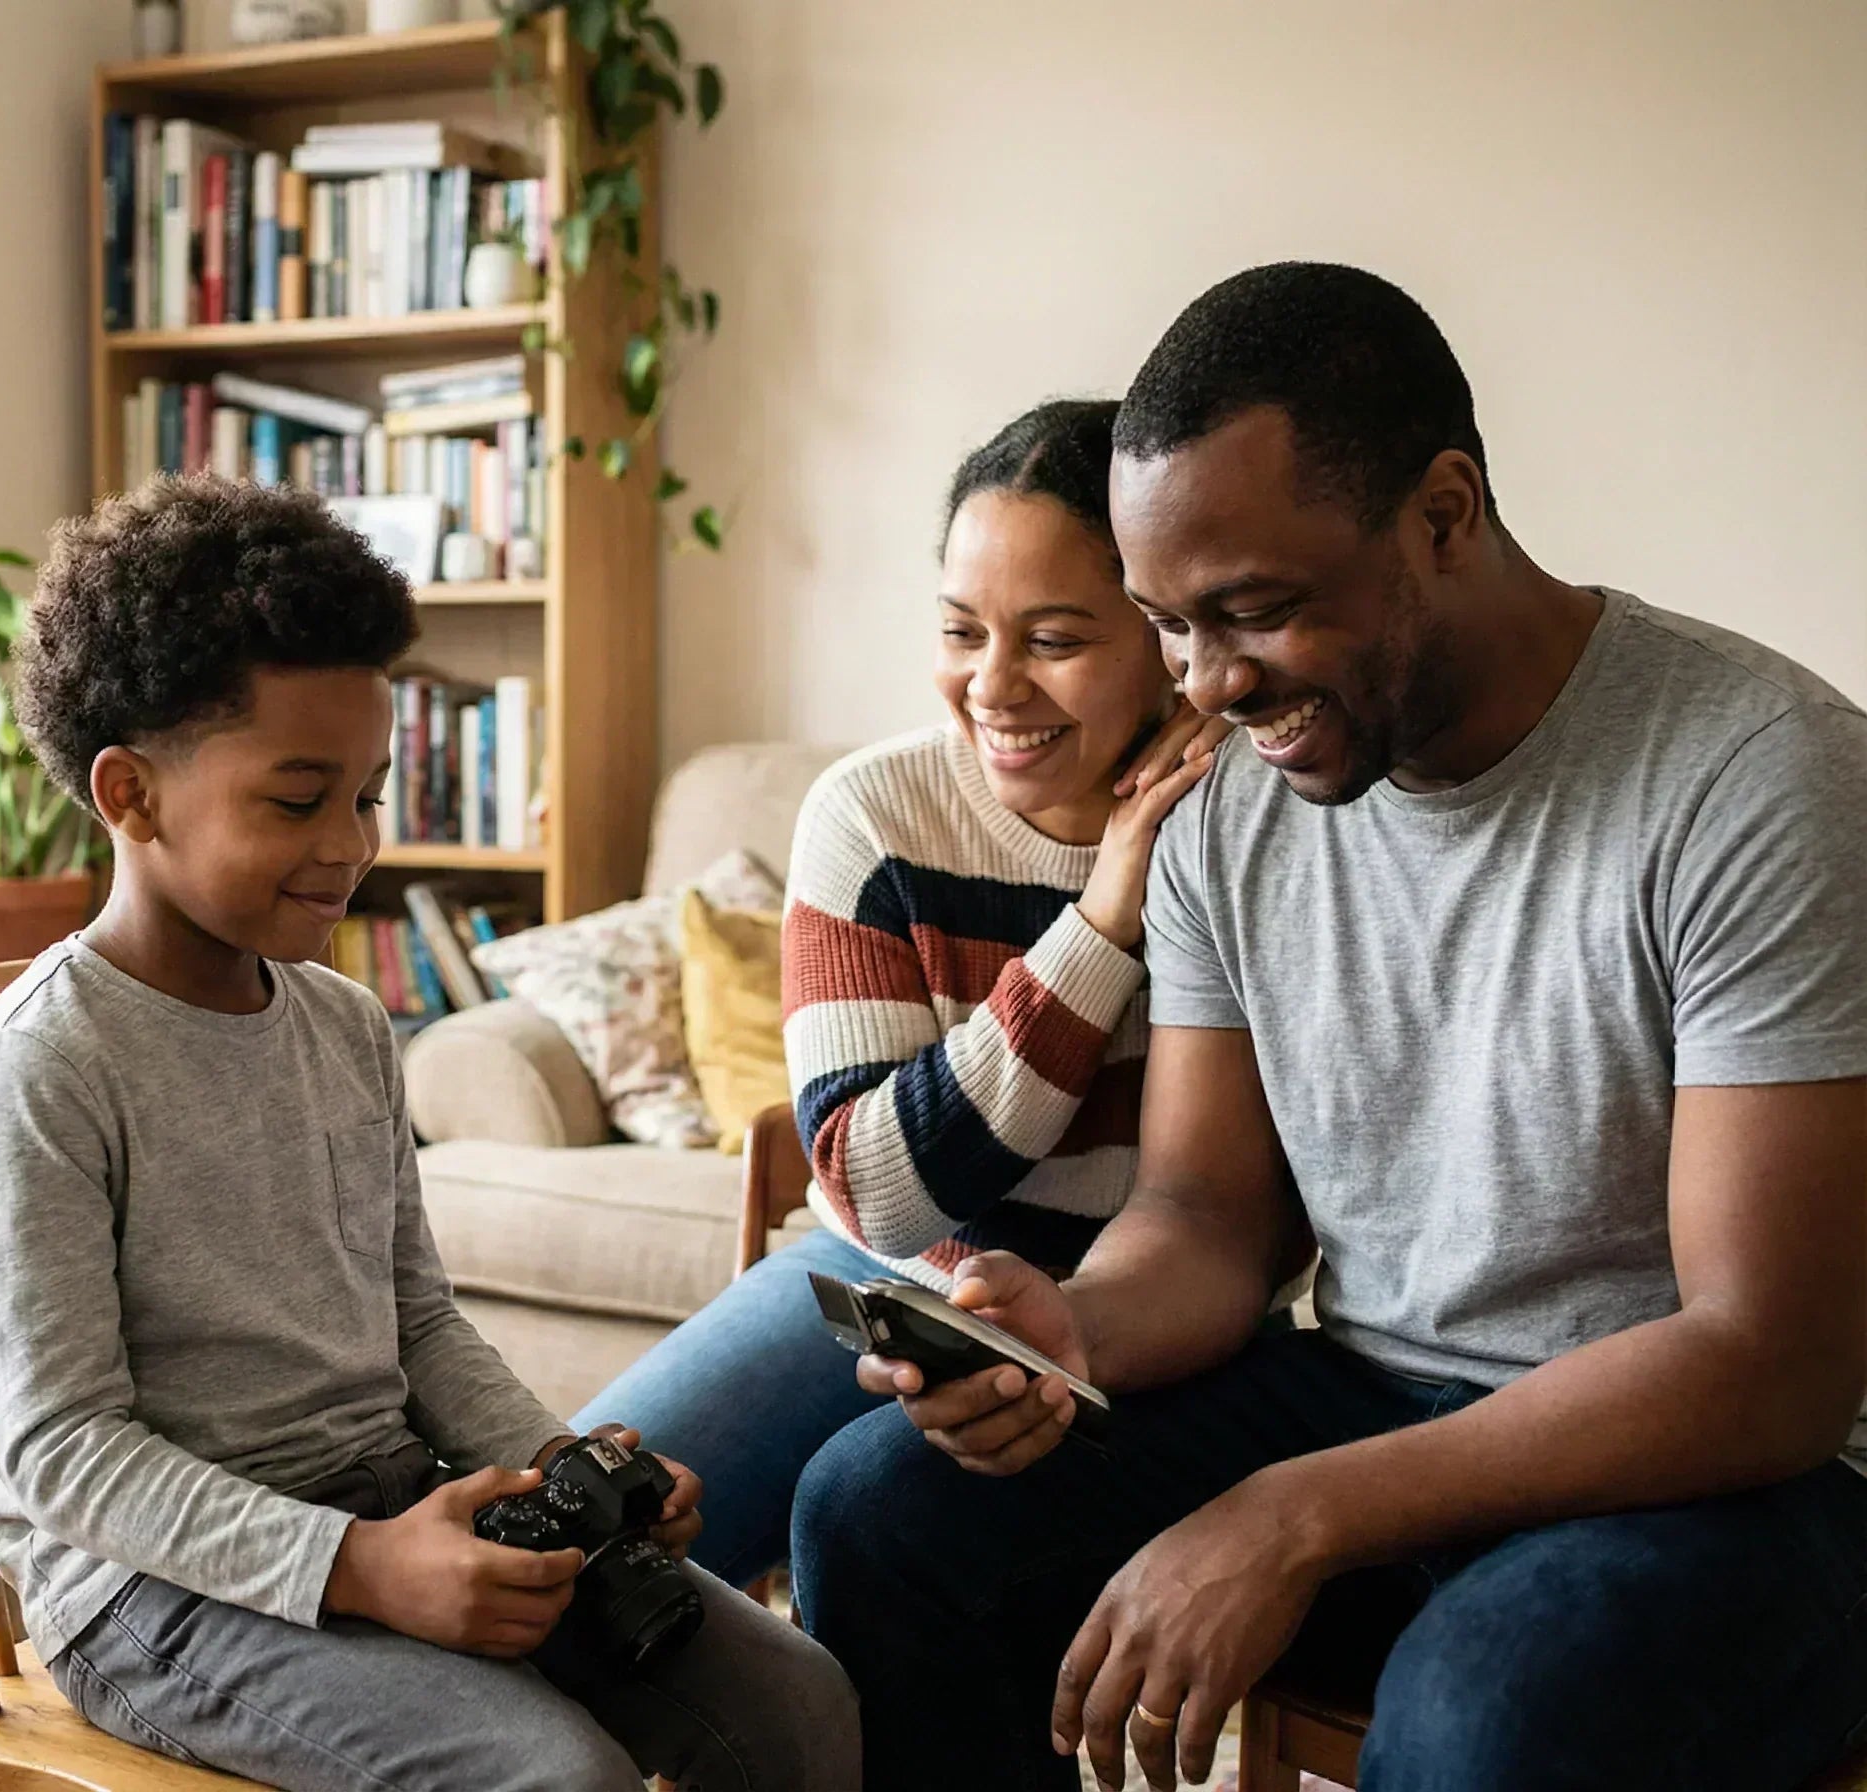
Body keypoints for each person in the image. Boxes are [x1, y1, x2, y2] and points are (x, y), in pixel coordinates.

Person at [792, 262, 1867, 1792]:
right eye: (1169, 628)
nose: (1213, 686)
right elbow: (1207, 1225)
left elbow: (1768, 1360)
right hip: (1369, 1396)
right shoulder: (1233, 797)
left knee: (1486, 1708)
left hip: (1722, 1472)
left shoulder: (1757, 779)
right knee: (882, 1516)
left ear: (1444, 513)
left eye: (1257, 613)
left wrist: (1297, 1513)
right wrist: (1067, 1331)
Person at [0, 477, 858, 1792]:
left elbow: (418, 1323)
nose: (350, 846)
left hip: (378, 1497)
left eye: (366, 796)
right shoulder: (45, 1070)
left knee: (796, 1697)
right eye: (297, 799)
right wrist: (362, 1570)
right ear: (130, 794)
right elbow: (66, 1453)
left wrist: (558, 1459)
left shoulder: (349, 1024)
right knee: (555, 1776)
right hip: (146, 1596)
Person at [570, 400, 1225, 1589]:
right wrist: (1101, 922)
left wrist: (1144, 879)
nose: (993, 686)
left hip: (1145, 1325)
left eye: (1057, 638)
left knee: (878, 1528)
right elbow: (876, 1191)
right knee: (580, 1536)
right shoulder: (874, 815)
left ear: (1162, 639)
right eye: (962, 631)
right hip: (898, 1287)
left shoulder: (1245, 821)